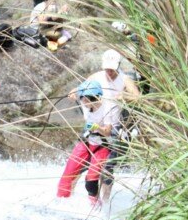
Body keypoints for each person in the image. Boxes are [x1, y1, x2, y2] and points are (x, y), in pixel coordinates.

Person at [68, 49, 141, 203]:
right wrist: (74, 92)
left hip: (114, 129)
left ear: (118, 65)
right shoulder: (96, 76)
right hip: (94, 126)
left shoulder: (125, 79)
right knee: (81, 164)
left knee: (107, 168)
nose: (109, 71)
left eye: (112, 68)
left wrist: (125, 95)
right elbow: (80, 89)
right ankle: (69, 198)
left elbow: (137, 97)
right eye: (107, 68)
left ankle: (106, 203)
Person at [57, 80, 118, 207]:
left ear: (95, 98)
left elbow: (107, 132)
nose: (83, 102)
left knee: (91, 181)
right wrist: (73, 93)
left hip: (102, 145)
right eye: (82, 99)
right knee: (68, 174)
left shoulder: (108, 108)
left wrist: (97, 128)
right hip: (87, 142)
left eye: (85, 100)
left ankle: (96, 207)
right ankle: (61, 203)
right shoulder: (85, 99)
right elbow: (76, 92)